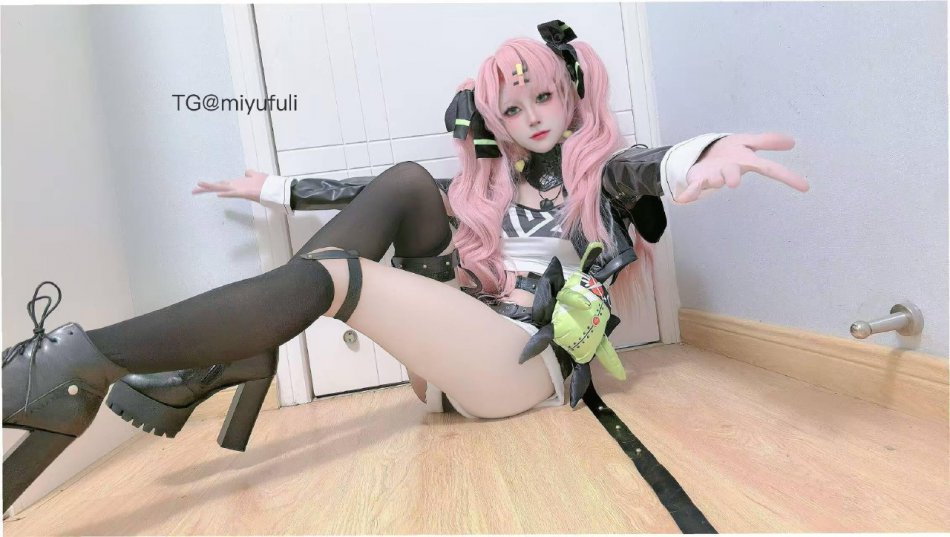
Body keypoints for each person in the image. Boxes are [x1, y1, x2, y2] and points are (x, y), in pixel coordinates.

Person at [1, 20, 807, 511]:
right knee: (407, 183)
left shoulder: (603, 173)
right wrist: (271, 187)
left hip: (521, 368)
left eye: (543, 99)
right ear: (496, 120)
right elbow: (360, 193)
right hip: (454, 361)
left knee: (334, 279)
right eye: (512, 108)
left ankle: (86, 359)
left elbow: (651, 167)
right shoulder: (489, 186)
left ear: (570, 97)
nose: (531, 118)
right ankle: (224, 354)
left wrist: (703, 155)